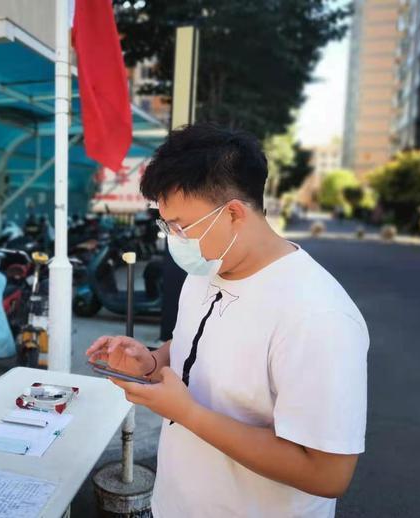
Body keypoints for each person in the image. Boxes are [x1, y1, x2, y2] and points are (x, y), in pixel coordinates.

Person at [87, 123, 369, 517]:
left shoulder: (318, 316)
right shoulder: (208, 268)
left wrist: (187, 413)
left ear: (234, 213)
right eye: (166, 225)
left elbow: (327, 474)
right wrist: (150, 362)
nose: (173, 238)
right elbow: (195, 342)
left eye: (181, 226)